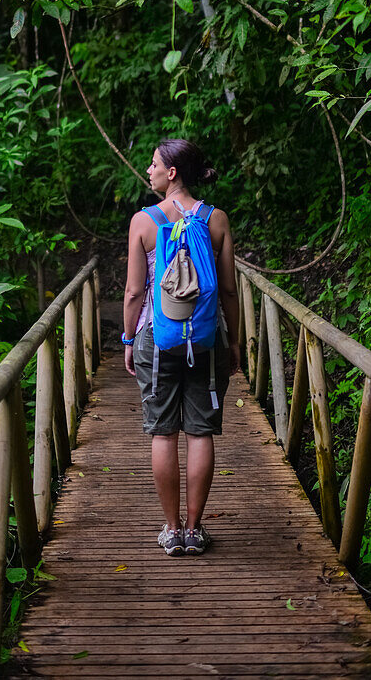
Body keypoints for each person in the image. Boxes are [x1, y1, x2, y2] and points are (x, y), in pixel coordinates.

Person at [122, 139, 240, 556]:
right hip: (208, 337)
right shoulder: (217, 219)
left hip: (158, 337)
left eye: (154, 164)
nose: (148, 169)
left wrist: (127, 336)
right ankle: (195, 529)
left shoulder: (144, 221)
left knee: (163, 431)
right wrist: (235, 340)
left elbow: (136, 292)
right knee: (201, 430)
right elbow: (228, 289)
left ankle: (170, 530)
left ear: (172, 172)